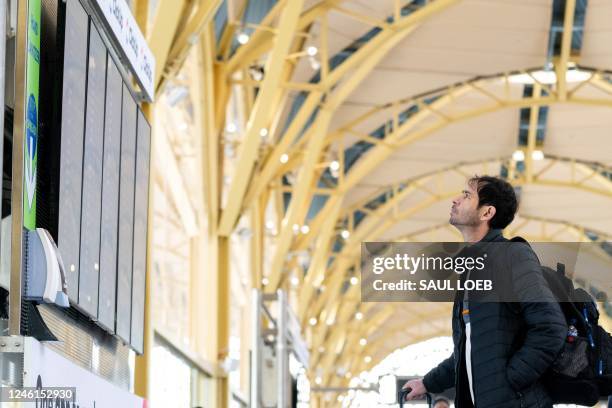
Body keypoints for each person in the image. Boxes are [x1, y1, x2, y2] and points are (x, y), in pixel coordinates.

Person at [402, 176, 566, 407]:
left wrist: (510, 382)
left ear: (486, 212)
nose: (455, 200)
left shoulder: (513, 255)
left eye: (467, 195)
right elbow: (470, 352)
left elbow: (550, 327)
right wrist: (427, 383)